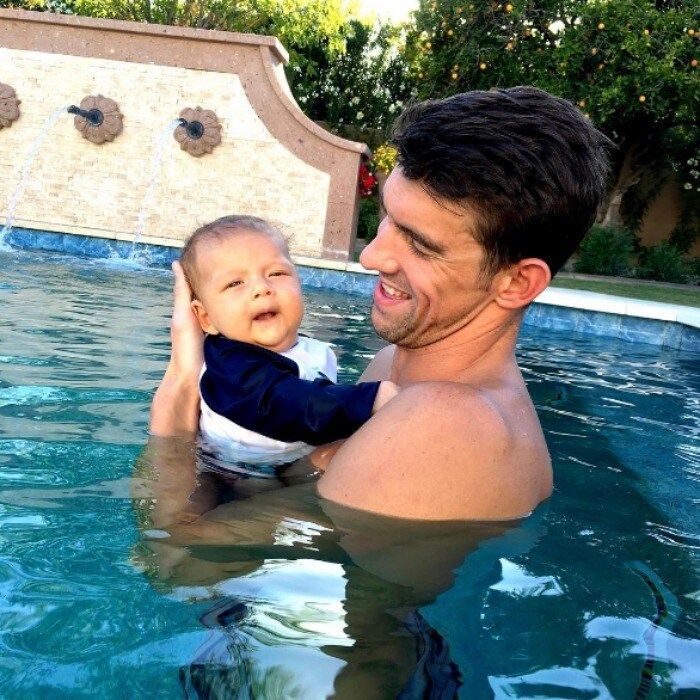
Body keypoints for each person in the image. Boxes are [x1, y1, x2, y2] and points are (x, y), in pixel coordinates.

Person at [151, 86, 610, 521]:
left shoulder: (446, 422)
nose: (371, 255)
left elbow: (178, 558)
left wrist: (181, 380)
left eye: (420, 242)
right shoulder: (395, 366)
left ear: (516, 282)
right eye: (388, 216)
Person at [177, 214, 399, 467]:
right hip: (235, 478)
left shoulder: (300, 348)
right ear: (205, 318)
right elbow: (284, 402)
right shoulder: (230, 365)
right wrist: (366, 400)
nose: (262, 288)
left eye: (277, 273)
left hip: (285, 465)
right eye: (235, 283)